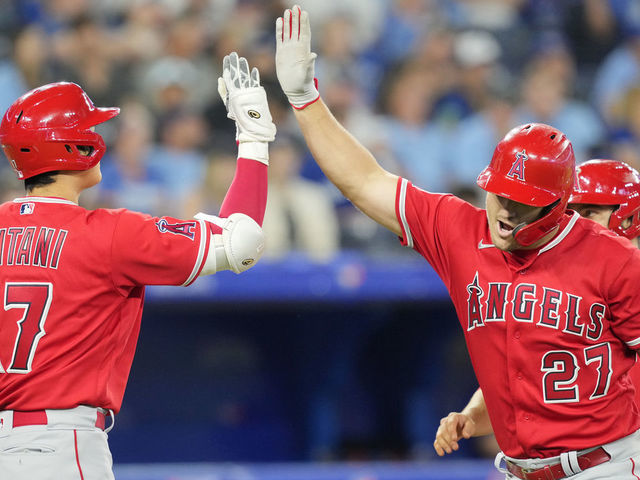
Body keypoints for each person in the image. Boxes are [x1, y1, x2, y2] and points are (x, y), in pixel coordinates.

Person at [275, 5, 640, 479]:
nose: (506, 210)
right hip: (515, 468)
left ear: (558, 203)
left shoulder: (613, 259)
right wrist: (306, 101)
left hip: (606, 466)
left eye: (523, 201)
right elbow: (365, 181)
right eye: (499, 194)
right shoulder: (460, 230)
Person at [0, 51, 275, 480]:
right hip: (59, 448)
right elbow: (242, 240)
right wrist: (254, 136)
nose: (97, 133)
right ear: (71, 146)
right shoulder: (108, 232)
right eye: (88, 127)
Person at [433, 158, 640, 461]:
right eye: (569, 210)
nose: (572, 221)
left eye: (589, 212)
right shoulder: (560, 280)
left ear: (628, 219)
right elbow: (526, 385)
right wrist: (472, 415)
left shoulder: (622, 277)